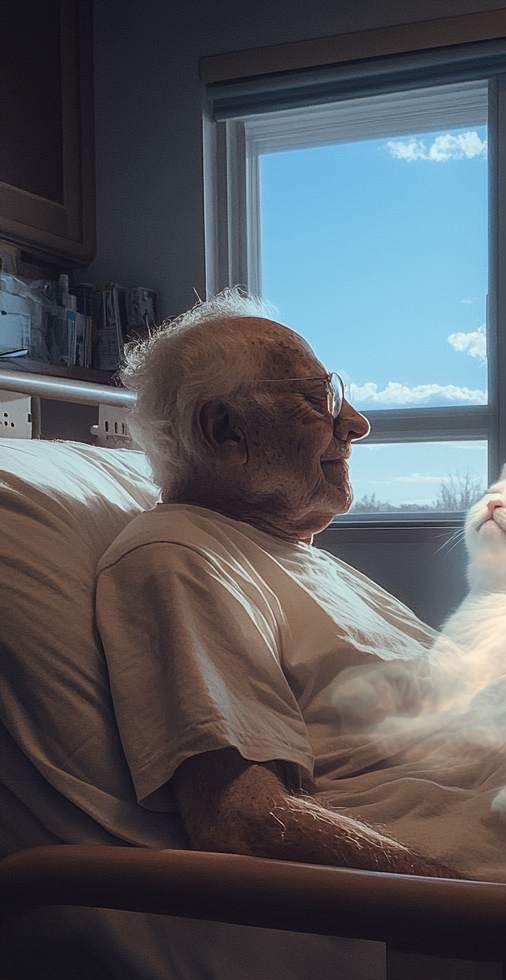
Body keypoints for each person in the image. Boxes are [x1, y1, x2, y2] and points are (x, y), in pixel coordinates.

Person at [98, 290, 455, 877]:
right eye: (319, 399)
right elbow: (241, 820)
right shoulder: (181, 557)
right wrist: (482, 907)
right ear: (224, 431)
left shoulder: (298, 558)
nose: (357, 423)